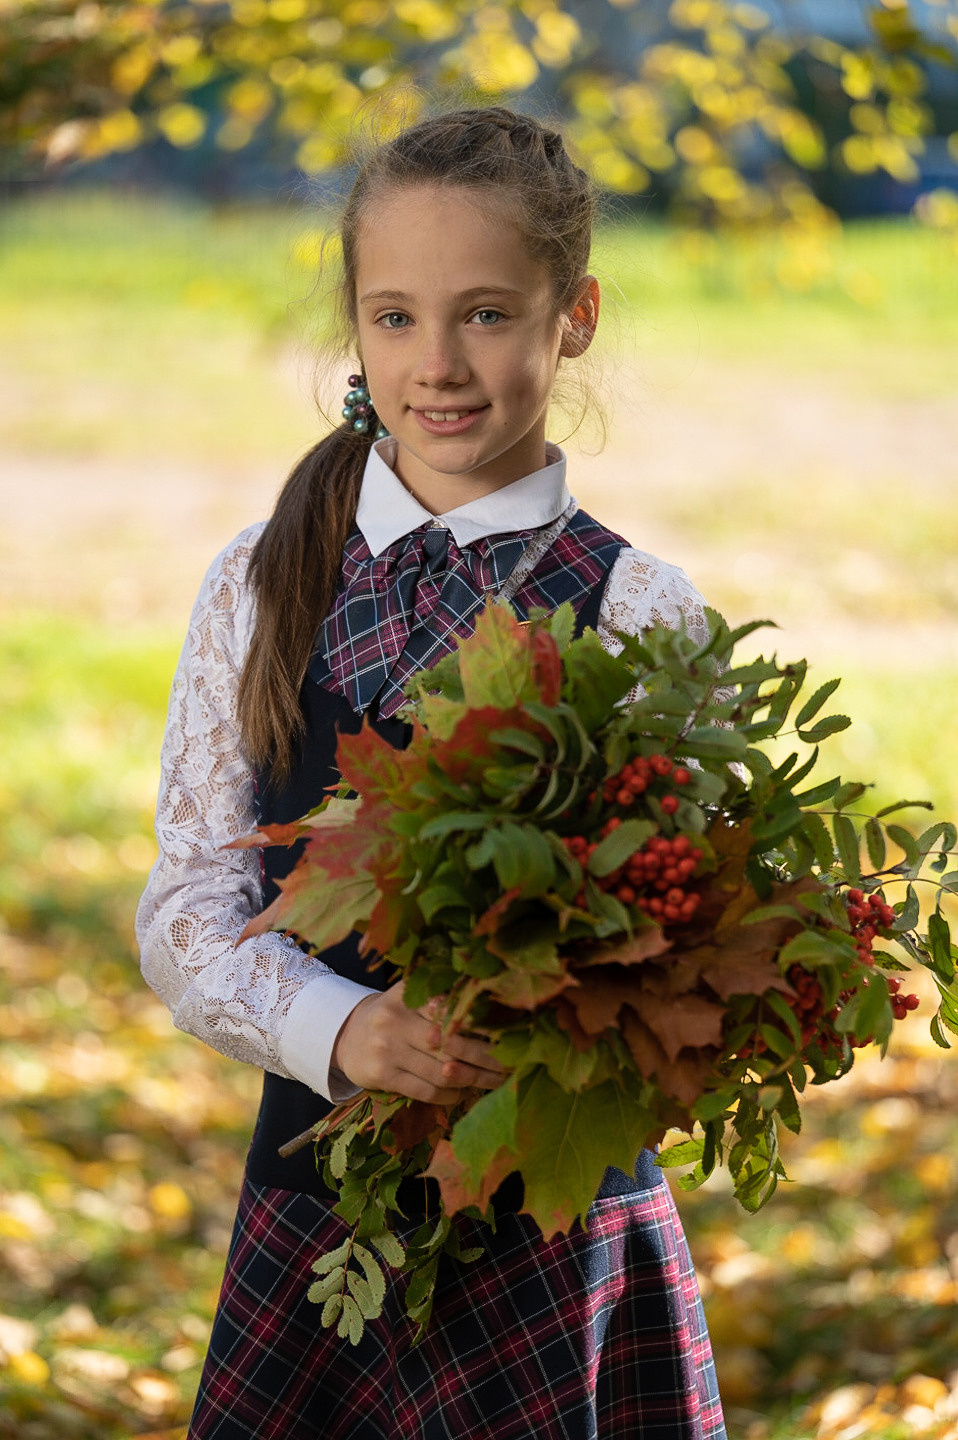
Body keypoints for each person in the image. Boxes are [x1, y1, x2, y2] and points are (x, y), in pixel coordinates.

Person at [137, 106, 727, 1440]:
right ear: (353, 322)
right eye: (395, 317)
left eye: (485, 315)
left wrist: (554, 1027)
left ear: (568, 316)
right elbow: (186, 907)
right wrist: (338, 1030)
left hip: (552, 1214)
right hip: (318, 1210)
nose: (439, 363)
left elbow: (694, 943)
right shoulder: (264, 577)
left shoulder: (641, 611)